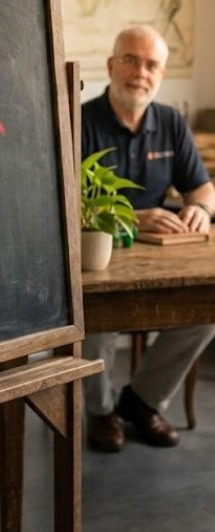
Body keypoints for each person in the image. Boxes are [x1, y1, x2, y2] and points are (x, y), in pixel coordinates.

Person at [82, 25, 215, 452]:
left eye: (151, 65)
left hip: (160, 255)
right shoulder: (79, 121)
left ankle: (141, 402)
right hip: (100, 254)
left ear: (161, 74)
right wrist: (130, 218)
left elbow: (202, 187)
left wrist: (200, 209)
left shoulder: (171, 121)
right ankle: (100, 411)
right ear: (111, 65)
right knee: (93, 320)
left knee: (205, 311)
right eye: (131, 60)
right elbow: (64, 206)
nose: (141, 72)